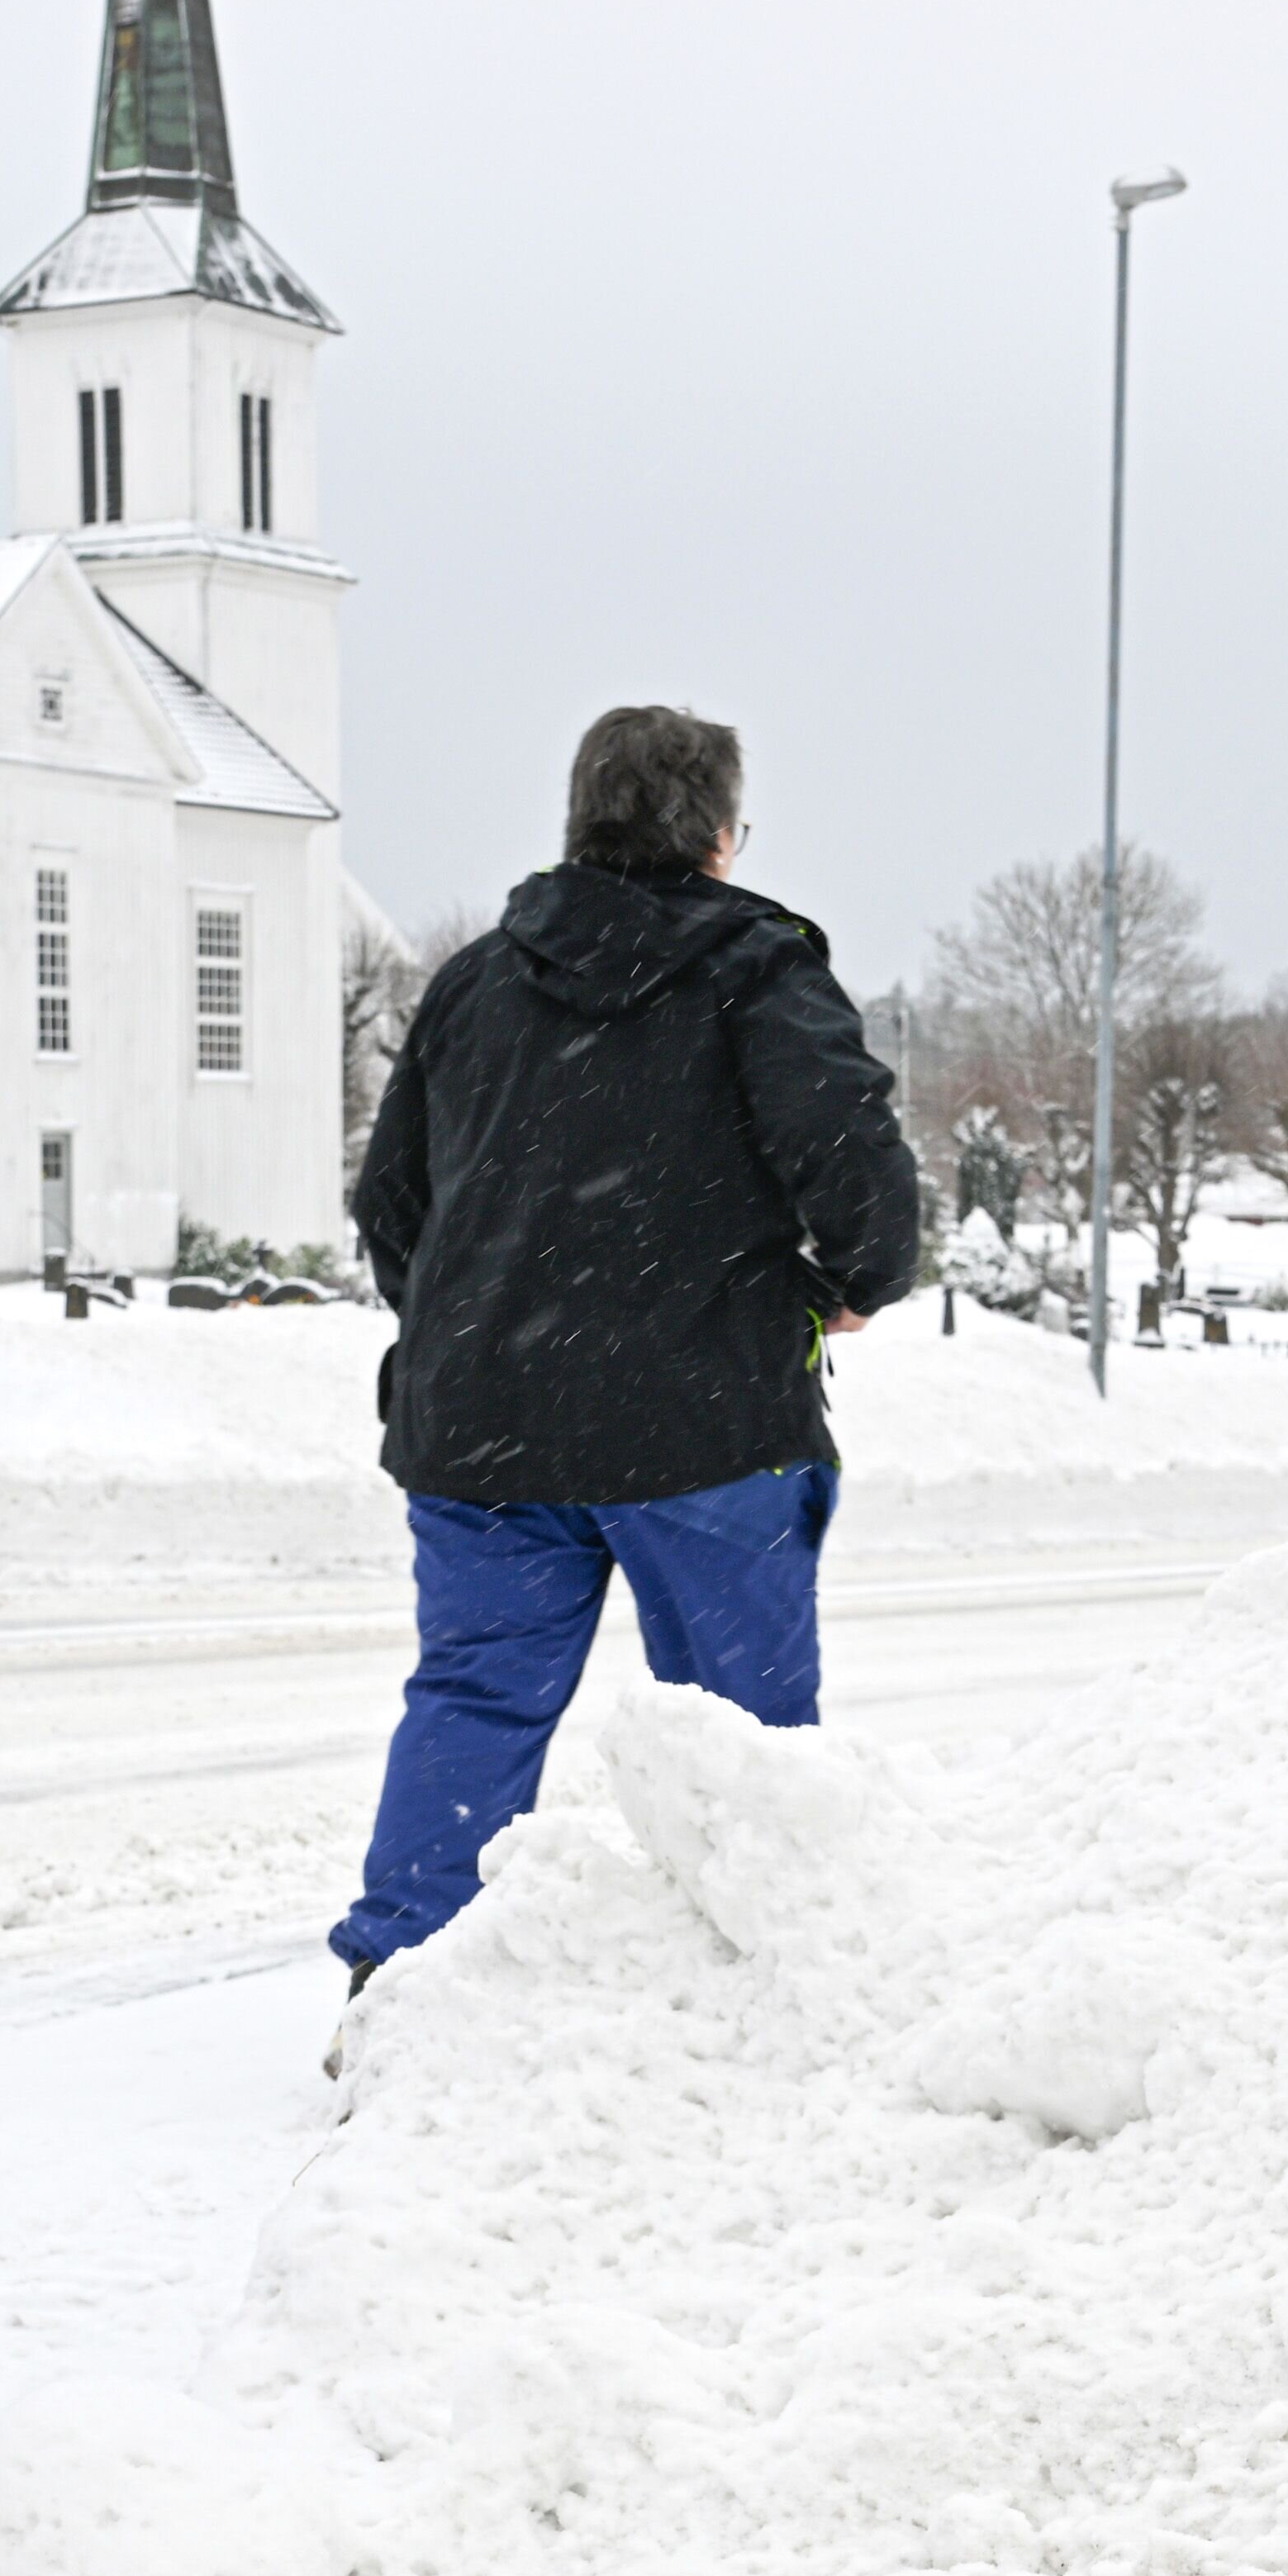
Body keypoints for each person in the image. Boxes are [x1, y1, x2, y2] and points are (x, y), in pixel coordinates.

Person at [333, 705, 920, 1984]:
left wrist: (470, 1326)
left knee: (474, 1703)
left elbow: (393, 1207)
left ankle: (402, 1981)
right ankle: (775, 1978)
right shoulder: (758, 970)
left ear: (580, 821)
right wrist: (855, 1283)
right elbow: (849, 1152)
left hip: (485, 1429)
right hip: (705, 1424)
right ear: (718, 834)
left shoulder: (477, 984)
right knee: (741, 1731)